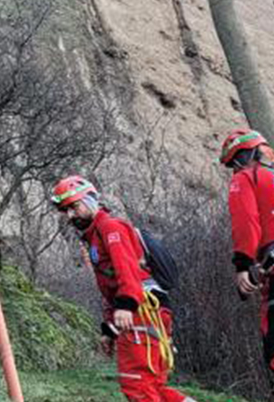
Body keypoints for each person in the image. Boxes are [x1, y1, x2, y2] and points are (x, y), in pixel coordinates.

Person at [51, 175, 193, 402]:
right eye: (65, 211)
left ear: (89, 200)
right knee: (154, 387)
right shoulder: (95, 236)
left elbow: (126, 270)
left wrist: (126, 304)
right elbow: (111, 289)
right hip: (145, 310)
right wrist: (110, 330)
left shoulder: (110, 228)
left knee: (136, 384)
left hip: (143, 309)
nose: (70, 215)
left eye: (74, 207)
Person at [221, 128, 274, 379]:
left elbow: (246, 222)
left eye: (233, 164)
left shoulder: (246, 178)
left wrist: (243, 264)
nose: (234, 170)